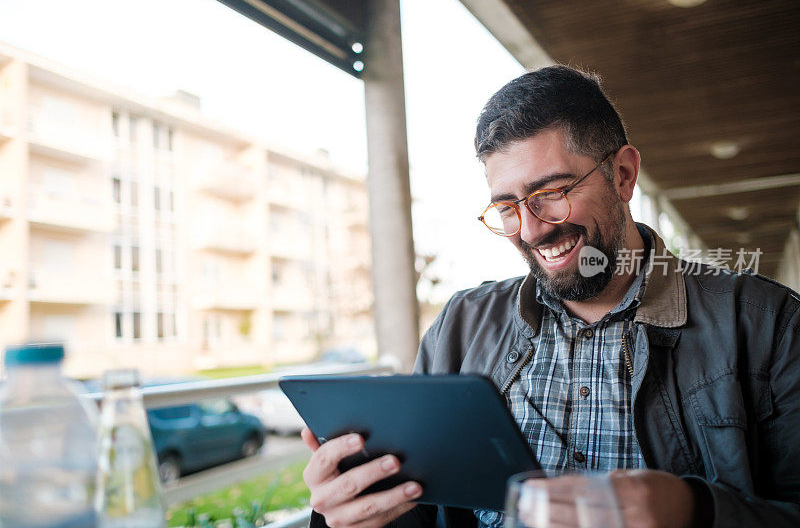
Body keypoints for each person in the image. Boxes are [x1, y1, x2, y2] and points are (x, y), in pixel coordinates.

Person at [301, 65, 800, 527]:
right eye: (507, 206)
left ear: (623, 175)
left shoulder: (768, 325)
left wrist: (694, 509)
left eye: (553, 192)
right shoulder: (461, 326)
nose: (532, 229)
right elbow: (425, 508)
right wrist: (360, 512)